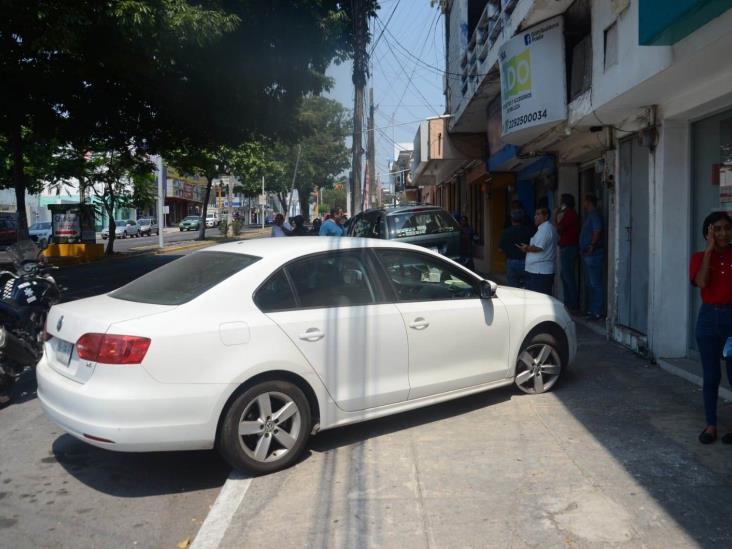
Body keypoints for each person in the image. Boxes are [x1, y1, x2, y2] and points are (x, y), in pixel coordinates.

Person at [689, 211, 732, 445]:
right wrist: (708, 251)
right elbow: (702, 282)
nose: (723, 233)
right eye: (717, 229)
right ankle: (711, 425)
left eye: (727, 228)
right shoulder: (698, 257)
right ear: (708, 232)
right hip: (708, 319)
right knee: (711, 375)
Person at [519, 207, 559, 296]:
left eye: (538, 214)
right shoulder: (544, 228)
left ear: (546, 216)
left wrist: (526, 248)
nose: (535, 217)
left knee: (538, 298)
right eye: (535, 214)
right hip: (537, 271)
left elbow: (538, 247)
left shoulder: (546, 229)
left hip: (539, 272)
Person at [580, 194, 604, 319]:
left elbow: (597, 230)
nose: (583, 204)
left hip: (594, 254)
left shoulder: (594, 215)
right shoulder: (590, 216)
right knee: (590, 284)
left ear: (589, 202)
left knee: (595, 284)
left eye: (584, 201)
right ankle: (592, 309)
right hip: (589, 254)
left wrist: (592, 245)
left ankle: (597, 311)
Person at [555, 194, 580, 311]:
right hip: (567, 246)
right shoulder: (569, 214)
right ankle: (569, 302)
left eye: (561, 201)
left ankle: (572, 304)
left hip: (569, 247)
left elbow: (559, 228)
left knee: (567, 276)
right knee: (565, 276)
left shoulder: (570, 214)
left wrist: (556, 214)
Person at [499, 209, 534, 288]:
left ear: (511, 219)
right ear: (523, 219)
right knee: (528, 288)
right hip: (526, 262)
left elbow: (500, 249)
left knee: (513, 289)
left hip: (511, 262)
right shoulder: (529, 231)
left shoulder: (506, 232)